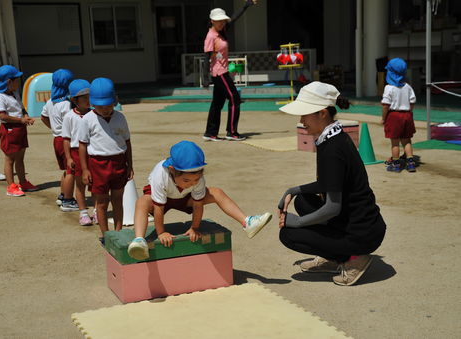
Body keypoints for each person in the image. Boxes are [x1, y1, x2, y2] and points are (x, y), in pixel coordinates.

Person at [277, 81, 386, 286]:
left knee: (289, 235)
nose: (301, 121)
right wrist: (293, 190)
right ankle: (335, 255)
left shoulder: (333, 149)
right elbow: (328, 183)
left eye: (305, 114)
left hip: (361, 233)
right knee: (303, 201)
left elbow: (332, 207)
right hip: (361, 223)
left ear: (322, 113)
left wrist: (297, 222)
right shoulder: (333, 138)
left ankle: (353, 259)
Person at [127, 140, 272, 260]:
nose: (192, 183)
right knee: (141, 202)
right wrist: (161, 233)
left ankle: (247, 222)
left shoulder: (198, 180)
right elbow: (159, 208)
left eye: (196, 179)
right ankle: (139, 240)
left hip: (184, 198)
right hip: (160, 199)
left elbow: (198, 205)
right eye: (187, 180)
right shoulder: (161, 174)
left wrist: (195, 227)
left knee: (217, 192)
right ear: (172, 170)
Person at [78, 78, 133, 243]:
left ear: (114, 101)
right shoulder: (87, 119)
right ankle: (105, 234)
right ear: (92, 104)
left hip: (119, 162)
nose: (105, 109)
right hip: (97, 164)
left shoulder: (120, 117)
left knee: (118, 199)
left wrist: (130, 165)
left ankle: (118, 231)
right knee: (101, 203)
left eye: (109, 105)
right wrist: (85, 169)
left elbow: (127, 142)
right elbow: (82, 145)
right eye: (100, 106)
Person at [202, 0, 257, 142]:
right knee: (235, 99)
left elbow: (234, 17)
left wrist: (246, 5)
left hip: (221, 72)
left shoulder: (222, 31)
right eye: (219, 21)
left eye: (223, 21)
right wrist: (205, 77)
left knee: (217, 103)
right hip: (219, 73)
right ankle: (231, 132)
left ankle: (210, 133)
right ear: (212, 21)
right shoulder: (211, 36)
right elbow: (206, 57)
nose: (222, 23)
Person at [0, 65, 38, 197]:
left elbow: (21, 108)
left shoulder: (14, 93)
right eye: (17, 80)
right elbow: (3, 116)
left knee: (20, 158)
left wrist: (25, 116)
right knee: (9, 159)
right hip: (9, 130)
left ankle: (23, 182)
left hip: (20, 129)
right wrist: (20, 121)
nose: (19, 82)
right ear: (9, 82)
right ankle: (11, 186)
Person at [41, 69, 78, 209]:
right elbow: (72, 122)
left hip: (57, 139)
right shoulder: (67, 104)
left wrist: (54, 128)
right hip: (67, 141)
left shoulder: (51, 102)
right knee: (71, 171)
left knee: (66, 170)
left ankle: (63, 194)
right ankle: (68, 200)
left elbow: (43, 116)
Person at [62, 79, 93, 226]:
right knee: (80, 185)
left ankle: (97, 212)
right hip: (76, 152)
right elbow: (66, 139)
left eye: (89, 96)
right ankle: (83, 213)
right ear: (74, 100)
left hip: (92, 152)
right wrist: (68, 157)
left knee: (95, 184)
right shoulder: (69, 116)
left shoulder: (94, 114)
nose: (88, 100)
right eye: (84, 97)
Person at [381, 58, 417, 172]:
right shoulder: (407, 87)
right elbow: (412, 102)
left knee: (395, 142)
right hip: (407, 115)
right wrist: (409, 112)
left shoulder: (389, 88)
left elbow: (385, 106)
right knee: (407, 141)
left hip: (393, 116)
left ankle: (396, 165)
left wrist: (383, 118)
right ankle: (410, 163)